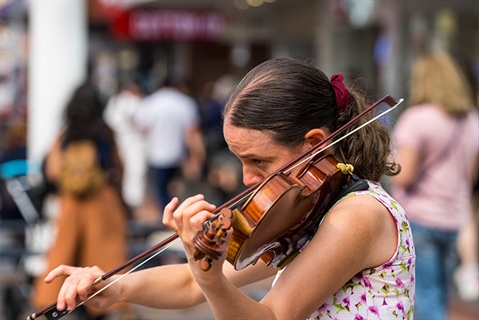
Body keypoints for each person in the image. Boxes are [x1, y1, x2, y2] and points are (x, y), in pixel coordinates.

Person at [40, 58, 415, 319]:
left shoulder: (356, 215)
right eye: (239, 160)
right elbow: (189, 284)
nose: (246, 179)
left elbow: (271, 316)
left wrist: (209, 275)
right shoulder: (313, 208)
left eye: (259, 161)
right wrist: (111, 286)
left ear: (313, 142)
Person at [31, 82, 132, 319]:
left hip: (70, 204)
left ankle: (60, 302)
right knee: (103, 264)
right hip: (102, 203)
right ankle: (100, 305)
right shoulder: (105, 134)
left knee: (66, 257)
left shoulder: (66, 135)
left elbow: (52, 171)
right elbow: (117, 169)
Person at [390, 51, 479, 319]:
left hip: (421, 219)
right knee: (440, 294)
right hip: (455, 221)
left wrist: (387, 160)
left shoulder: (418, 118)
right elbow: (470, 176)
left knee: (426, 298)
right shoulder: (471, 120)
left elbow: (404, 175)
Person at [133, 77, 205, 212]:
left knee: (160, 191)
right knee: (178, 191)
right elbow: (192, 134)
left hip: (157, 155)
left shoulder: (150, 103)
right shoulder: (185, 103)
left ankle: (166, 217)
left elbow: (142, 129)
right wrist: (196, 158)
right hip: (178, 155)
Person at [104, 78, 146, 215]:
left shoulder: (117, 102)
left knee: (128, 174)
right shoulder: (133, 102)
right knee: (132, 174)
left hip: (125, 145)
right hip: (129, 145)